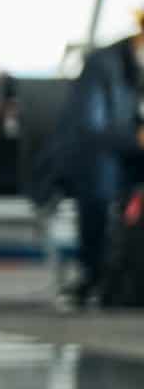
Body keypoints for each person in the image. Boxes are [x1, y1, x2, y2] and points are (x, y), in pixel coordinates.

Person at [60, 18, 144, 306]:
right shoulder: (102, 65)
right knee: (99, 170)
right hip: (92, 158)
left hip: (128, 158)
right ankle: (95, 273)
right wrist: (138, 139)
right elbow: (91, 129)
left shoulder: (136, 69)